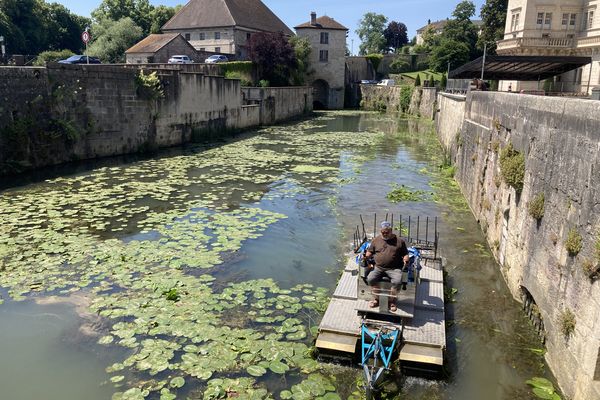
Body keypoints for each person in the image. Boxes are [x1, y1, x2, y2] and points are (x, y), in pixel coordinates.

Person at [365, 221, 409, 312]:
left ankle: (391, 301)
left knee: (397, 281)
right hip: (379, 267)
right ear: (380, 231)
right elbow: (370, 251)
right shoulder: (376, 240)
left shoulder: (399, 241)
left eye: (387, 232)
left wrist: (406, 259)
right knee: (370, 279)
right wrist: (366, 255)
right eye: (383, 232)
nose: (384, 234)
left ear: (391, 230)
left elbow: (405, 254)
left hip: (394, 268)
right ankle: (377, 299)